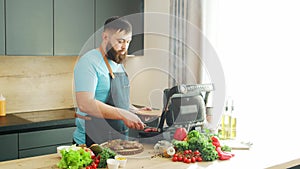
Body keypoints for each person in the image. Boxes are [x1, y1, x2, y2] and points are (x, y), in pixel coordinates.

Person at [73, 16, 146, 146]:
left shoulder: (117, 62)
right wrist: (123, 114)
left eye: (128, 41)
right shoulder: (89, 62)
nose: (125, 47)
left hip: (118, 140)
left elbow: (117, 99)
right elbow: (85, 104)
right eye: (120, 41)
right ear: (105, 37)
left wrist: (134, 111)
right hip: (91, 143)